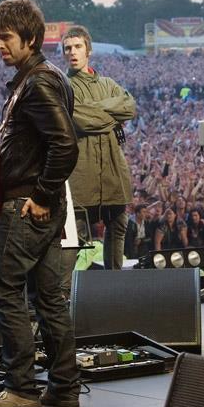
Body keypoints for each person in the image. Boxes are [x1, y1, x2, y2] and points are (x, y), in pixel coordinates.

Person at [0, 0, 80, 407]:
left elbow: (65, 144)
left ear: (31, 38)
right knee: (49, 299)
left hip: (29, 205)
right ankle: (64, 386)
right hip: (42, 204)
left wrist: (39, 195)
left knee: (4, 287)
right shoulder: (42, 78)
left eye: (5, 37)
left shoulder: (37, 83)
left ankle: (20, 385)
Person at [62, 25, 137, 270]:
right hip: (81, 175)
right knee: (75, 238)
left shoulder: (108, 83)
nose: (72, 52)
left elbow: (129, 107)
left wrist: (95, 111)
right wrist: (111, 116)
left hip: (114, 172)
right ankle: (62, 297)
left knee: (118, 228)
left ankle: (114, 288)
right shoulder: (63, 86)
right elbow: (77, 119)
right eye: (67, 48)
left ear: (89, 50)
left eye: (77, 47)